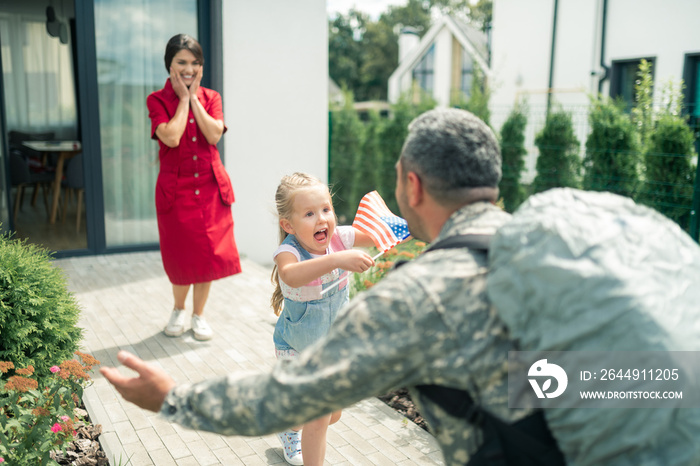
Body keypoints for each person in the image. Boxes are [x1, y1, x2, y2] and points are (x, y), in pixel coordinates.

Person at [103, 108, 700, 464]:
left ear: (412, 188)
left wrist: (171, 398)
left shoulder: (422, 297)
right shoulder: (571, 228)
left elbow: (286, 398)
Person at [270, 172, 377, 465]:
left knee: (333, 414)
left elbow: (376, 235)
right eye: (309, 213)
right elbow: (290, 276)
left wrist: (409, 223)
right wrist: (337, 259)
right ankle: (298, 433)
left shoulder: (340, 238)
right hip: (298, 352)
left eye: (326, 210)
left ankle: (290, 426)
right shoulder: (288, 252)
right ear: (288, 225)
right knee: (318, 419)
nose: (321, 219)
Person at [146, 34, 241, 341]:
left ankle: (199, 315)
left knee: (207, 254)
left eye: (194, 63)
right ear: (169, 65)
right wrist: (183, 99)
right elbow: (171, 137)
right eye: (181, 62)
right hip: (177, 189)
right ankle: (178, 309)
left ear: (201, 67)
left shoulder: (212, 97)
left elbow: (214, 135)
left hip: (211, 187)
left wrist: (195, 98)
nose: (188, 68)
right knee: (180, 253)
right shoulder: (157, 100)